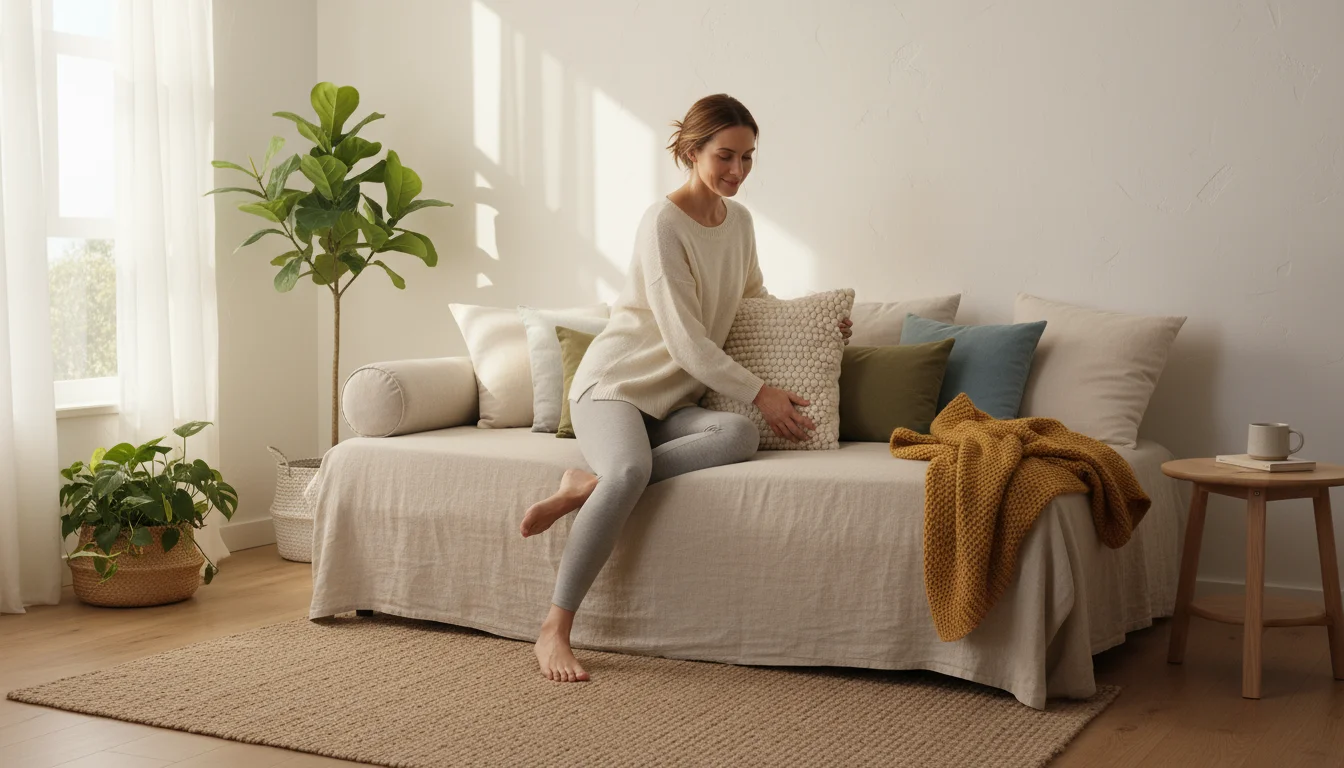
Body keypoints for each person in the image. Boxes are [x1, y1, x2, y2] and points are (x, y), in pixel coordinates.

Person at [519, 94, 854, 682]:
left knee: (738, 433)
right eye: (726, 156)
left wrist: (819, 327)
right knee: (631, 472)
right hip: (615, 387)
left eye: (748, 158)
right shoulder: (663, 223)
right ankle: (555, 628)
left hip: (676, 401)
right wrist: (763, 391)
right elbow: (686, 343)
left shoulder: (740, 223)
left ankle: (584, 486)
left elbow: (754, 306)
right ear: (691, 150)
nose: (738, 171)